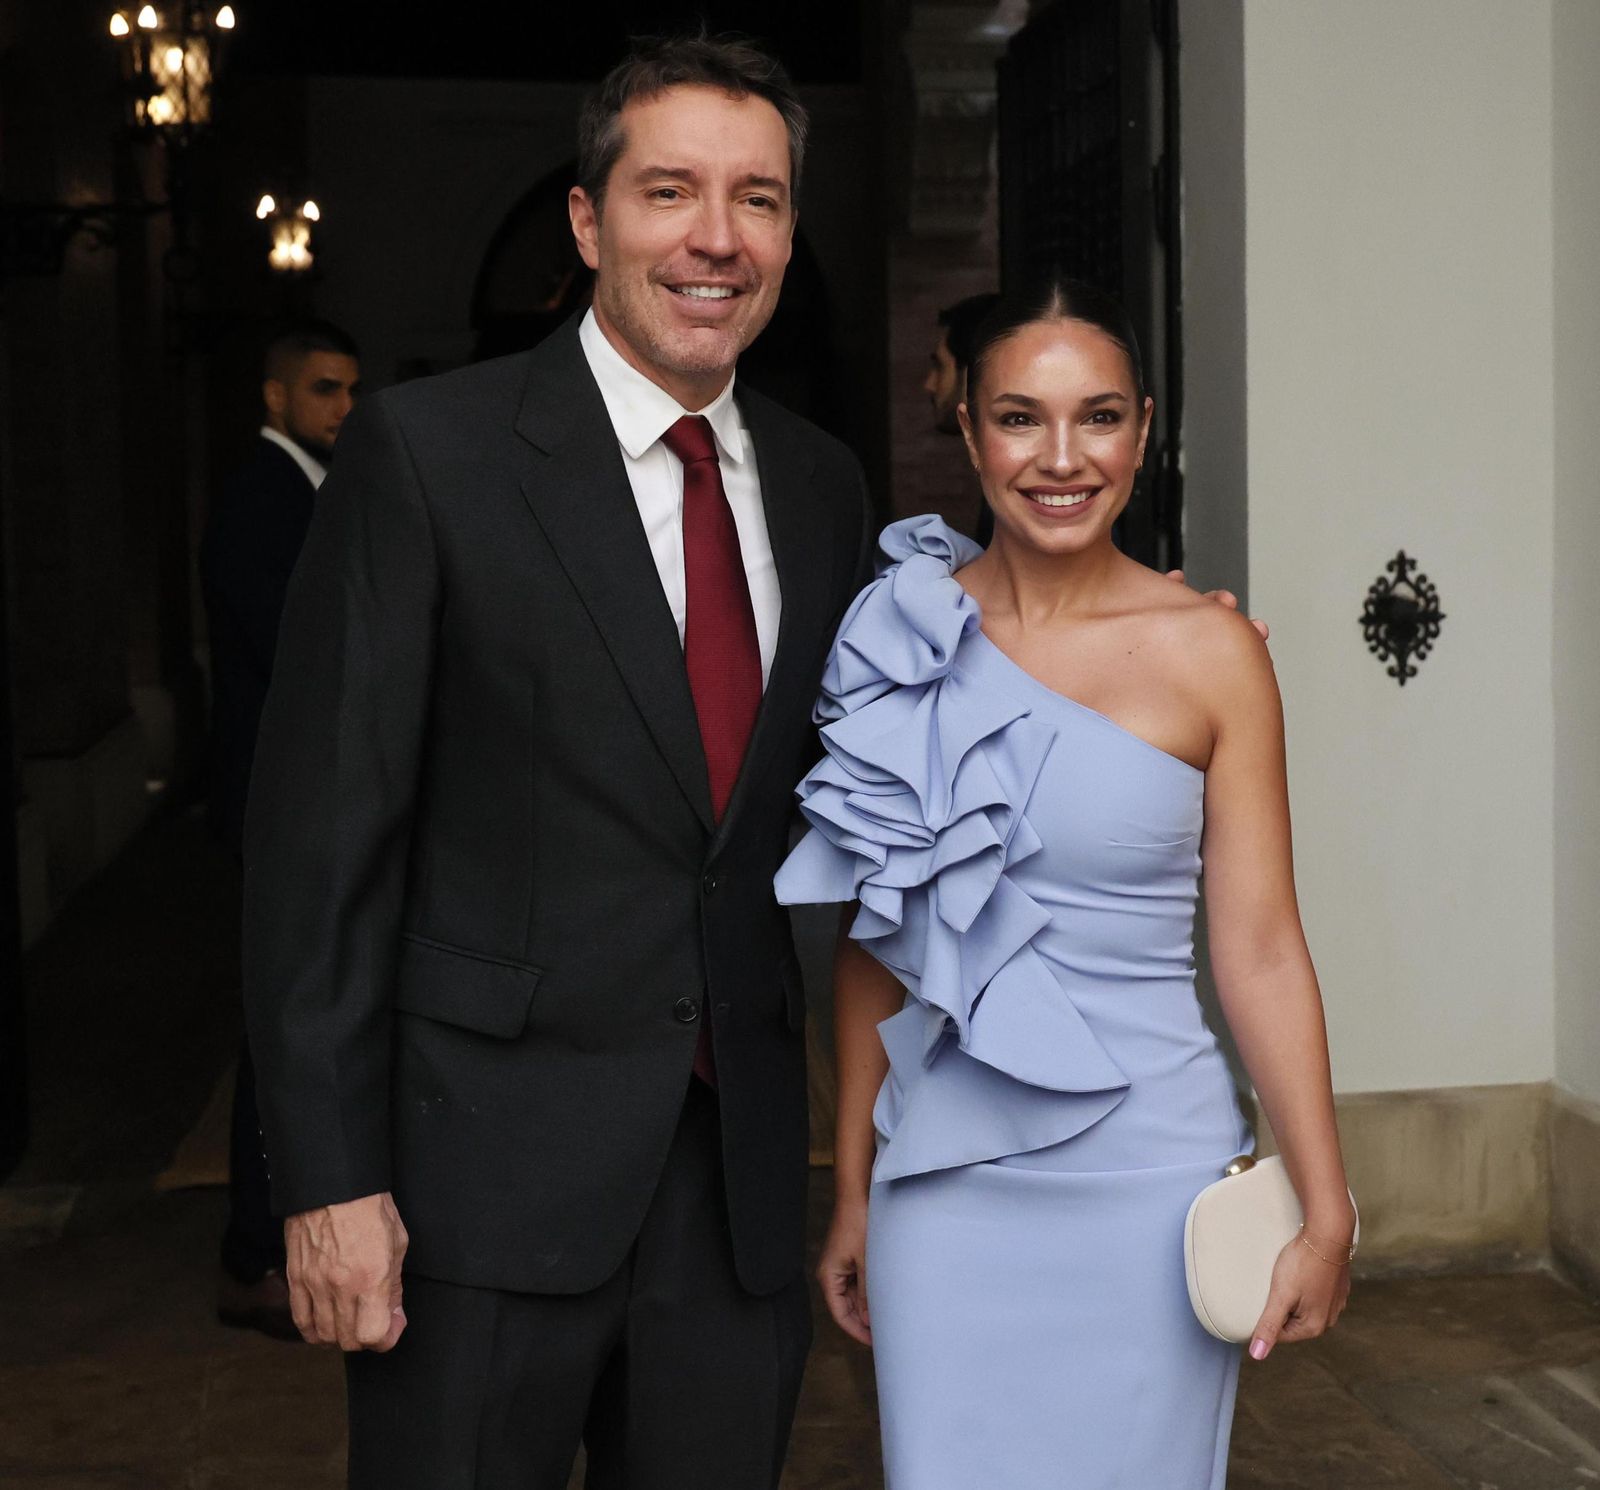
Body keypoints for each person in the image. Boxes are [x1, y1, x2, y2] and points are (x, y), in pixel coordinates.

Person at [242, 35, 875, 1489]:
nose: (718, 237)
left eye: (759, 198)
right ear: (589, 222)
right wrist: (329, 1181)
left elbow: (890, 738)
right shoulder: (429, 456)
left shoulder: (822, 484)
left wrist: (1143, 638)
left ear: (790, 233)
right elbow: (321, 850)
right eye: (670, 191)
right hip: (474, 1192)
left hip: (733, 1202)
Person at [777, 275, 1353, 1488]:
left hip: (1153, 1182)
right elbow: (877, 948)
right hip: (945, 1193)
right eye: (1018, 417)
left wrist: (1326, 1198)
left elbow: (1258, 947)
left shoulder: (1216, 654)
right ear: (969, 430)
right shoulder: (897, 639)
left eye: (1097, 416)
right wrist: (854, 1189)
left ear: (1141, 430)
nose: (1059, 457)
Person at [200, 319, 361, 1340]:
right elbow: (305, 650)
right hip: (277, 801)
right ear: (276, 397)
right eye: (324, 389)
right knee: (284, 1020)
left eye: (351, 389)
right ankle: (255, 1252)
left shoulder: (309, 488)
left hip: (306, 798)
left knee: (307, 1012)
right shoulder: (262, 498)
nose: (344, 407)